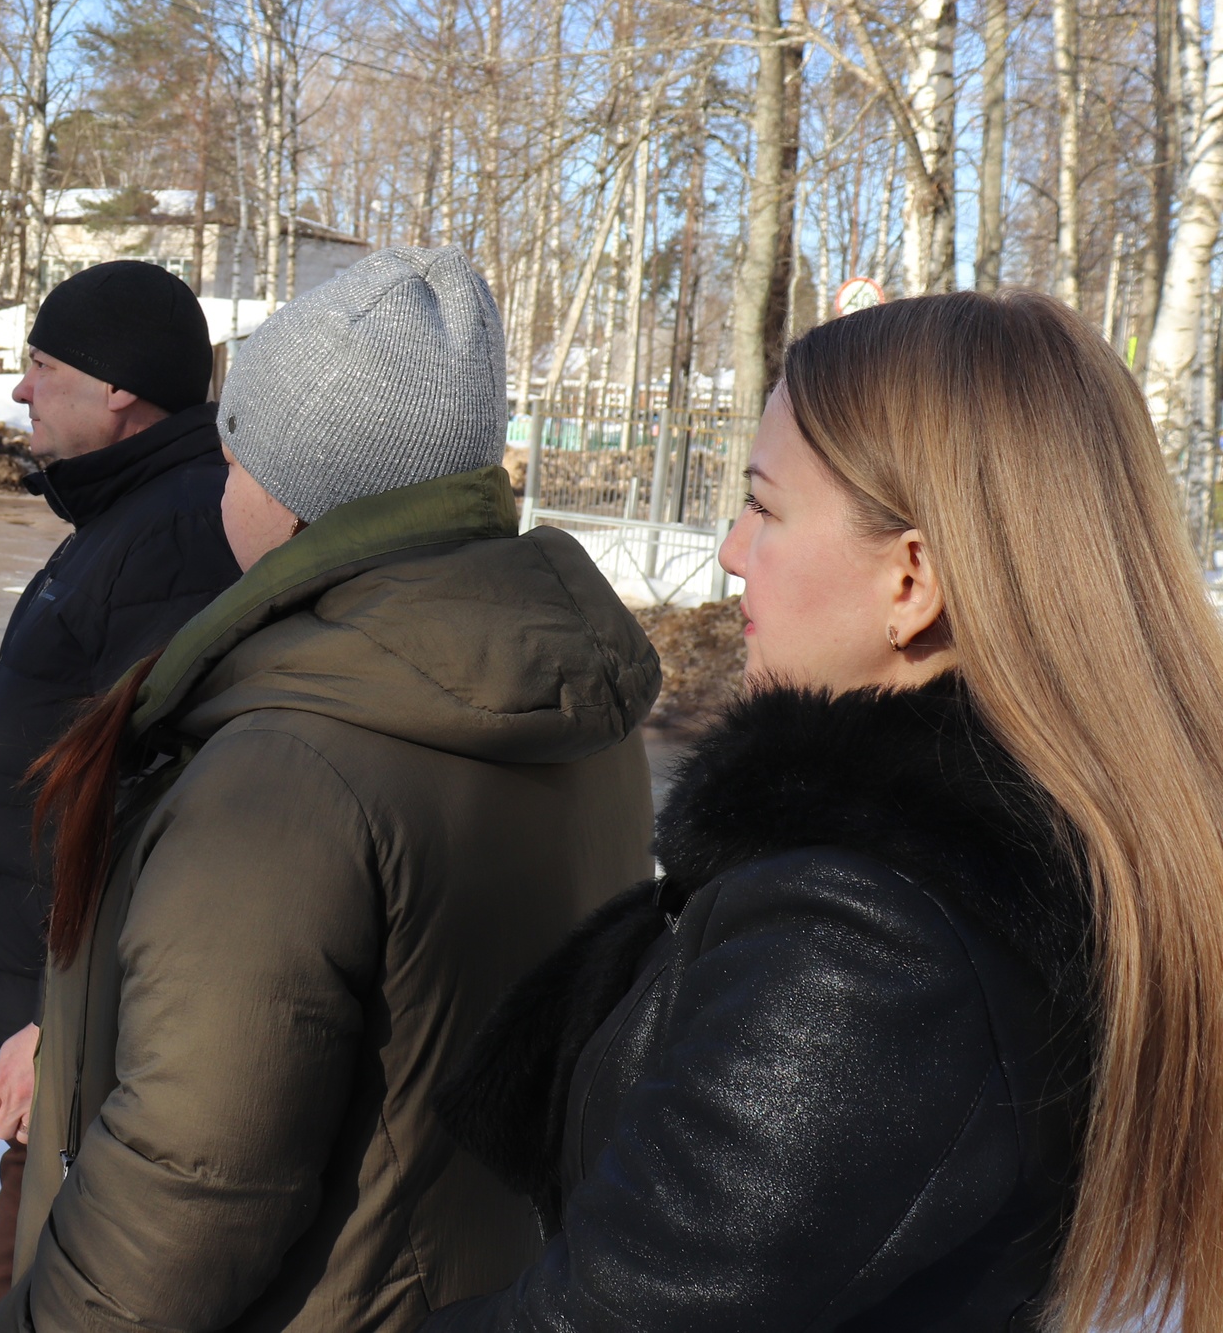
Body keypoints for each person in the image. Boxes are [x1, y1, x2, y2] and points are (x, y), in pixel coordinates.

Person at [428, 291, 1223, 1333]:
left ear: (911, 582)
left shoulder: (869, 947)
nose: (729, 551)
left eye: (764, 506)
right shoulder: (1027, 845)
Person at [0, 246, 660, 1333]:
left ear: (294, 494)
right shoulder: (567, 701)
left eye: (235, 458)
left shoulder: (291, 767)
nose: (222, 482)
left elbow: (191, 1178)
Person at [0, 261, 242, 1331]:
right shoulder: (138, 512)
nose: (20, 391)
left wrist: (53, 1018)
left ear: (118, 387)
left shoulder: (174, 529)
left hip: (83, 1024)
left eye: (41, 364)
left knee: (29, 1291)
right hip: (66, 1003)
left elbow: (142, 808)